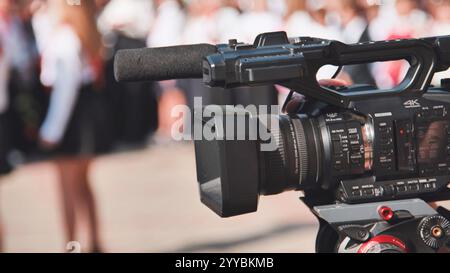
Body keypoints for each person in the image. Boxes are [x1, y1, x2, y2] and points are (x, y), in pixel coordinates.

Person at [37, 0, 111, 252]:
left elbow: (64, 90)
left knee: (68, 188)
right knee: (82, 185)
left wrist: (51, 130)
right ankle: (94, 242)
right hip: (83, 113)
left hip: (71, 118)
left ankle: (71, 245)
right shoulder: (80, 33)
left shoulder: (66, 36)